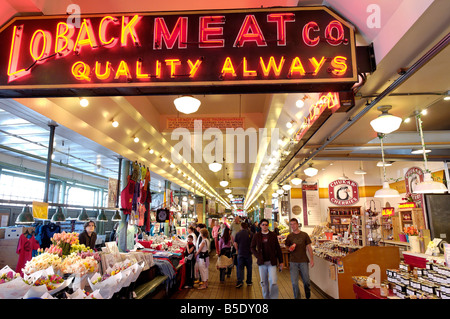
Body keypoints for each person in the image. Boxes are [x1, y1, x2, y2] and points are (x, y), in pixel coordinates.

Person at [250, 219, 283, 299]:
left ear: (268, 225)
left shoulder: (273, 235)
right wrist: (257, 255)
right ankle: (266, 297)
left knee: (273, 281)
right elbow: (252, 247)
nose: (264, 226)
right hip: (262, 262)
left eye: (266, 224)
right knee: (264, 282)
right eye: (263, 224)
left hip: (272, 262)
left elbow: (277, 248)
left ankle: (274, 297)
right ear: (260, 226)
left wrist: (281, 261)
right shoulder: (257, 236)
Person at [284, 218, 314, 299]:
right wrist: (289, 248)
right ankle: (297, 297)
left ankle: (308, 295)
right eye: (291, 224)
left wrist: (311, 259)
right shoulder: (289, 236)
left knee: (306, 281)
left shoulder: (304, 235)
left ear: (297, 224)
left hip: (303, 261)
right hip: (293, 261)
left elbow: (309, 247)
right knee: (294, 283)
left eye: (294, 224)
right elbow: (286, 246)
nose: (293, 226)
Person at [234, 222, 253, 288]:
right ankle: (249, 281)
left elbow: (235, 243)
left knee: (240, 268)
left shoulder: (238, 233)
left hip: (240, 253)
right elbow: (253, 244)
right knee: (249, 267)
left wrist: (237, 249)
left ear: (241, 227)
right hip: (248, 253)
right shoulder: (250, 233)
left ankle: (240, 281)